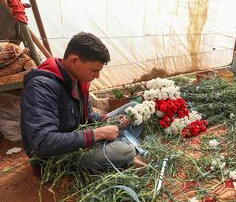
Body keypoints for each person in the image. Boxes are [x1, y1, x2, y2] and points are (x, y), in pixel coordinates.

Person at [21, 32, 145, 173]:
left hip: (80, 137)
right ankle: (125, 148)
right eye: (94, 70)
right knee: (124, 151)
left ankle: (120, 145)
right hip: (57, 156)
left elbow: (90, 118)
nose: (97, 76)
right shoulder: (41, 87)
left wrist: (111, 120)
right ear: (74, 61)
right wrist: (97, 134)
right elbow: (42, 142)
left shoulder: (79, 80)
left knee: (134, 108)